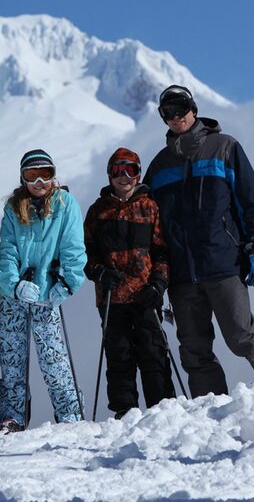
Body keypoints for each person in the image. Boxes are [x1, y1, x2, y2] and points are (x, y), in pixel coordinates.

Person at [143, 85, 254, 398]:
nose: (177, 116)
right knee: (194, 350)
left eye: (182, 107)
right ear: (163, 118)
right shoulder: (158, 167)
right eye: (168, 111)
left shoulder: (225, 147)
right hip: (181, 276)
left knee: (241, 336)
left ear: (194, 109)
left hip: (223, 264)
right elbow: (148, 226)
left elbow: (252, 205)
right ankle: (210, 414)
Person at [0, 149, 87, 432]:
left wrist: (68, 283)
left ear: (53, 175)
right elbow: (7, 252)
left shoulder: (64, 203)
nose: (39, 182)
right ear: (22, 179)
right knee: (12, 359)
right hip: (15, 296)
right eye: (31, 176)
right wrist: (13, 284)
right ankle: (13, 416)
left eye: (45, 174)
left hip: (48, 295)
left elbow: (73, 247)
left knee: (54, 359)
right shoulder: (13, 208)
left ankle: (70, 414)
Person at [84, 147, 175, 419]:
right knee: (119, 353)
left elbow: (162, 251)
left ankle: (163, 411)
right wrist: (99, 272)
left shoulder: (150, 206)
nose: (124, 177)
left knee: (153, 351)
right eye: (117, 171)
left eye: (131, 170)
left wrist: (158, 284)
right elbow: (85, 254)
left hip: (145, 294)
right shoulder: (98, 211)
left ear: (138, 174)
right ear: (109, 175)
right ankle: (124, 411)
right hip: (112, 297)